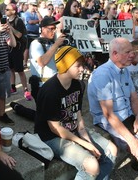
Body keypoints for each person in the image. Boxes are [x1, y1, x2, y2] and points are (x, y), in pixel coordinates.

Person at [88, 37, 138, 179]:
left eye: (132, 51)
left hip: (128, 114)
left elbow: (134, 98)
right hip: (110, 119)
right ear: (114, 54)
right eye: (128, 52)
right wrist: (131, 140)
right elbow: (109, 115)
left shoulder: (124, 71)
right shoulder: (102, 75)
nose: (132, 54)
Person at [35, 46, 117, 180]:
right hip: (51, 137)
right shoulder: (49, 91)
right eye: (78, 65)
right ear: (65, 65)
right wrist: (86, 144)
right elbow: (56, 129)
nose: (82, 69)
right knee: (91, 165)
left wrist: (88, 141)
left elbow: (78, 117)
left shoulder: (78, 85)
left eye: (82, 65)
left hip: (72, 129)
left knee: (111, 149)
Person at [29, 16, 65, 102]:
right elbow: (42, 62)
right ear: (43, 29)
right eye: (51, 29)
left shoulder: (52, 42)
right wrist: (56, 45)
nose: (53, 31)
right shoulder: (36, 44)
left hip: (54, 83)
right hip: (43, 85)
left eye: (55, 29)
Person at [5, 3, 31, 100]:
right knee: (11, 68)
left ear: (14, 11)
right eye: (6, 9)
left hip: (18, 49)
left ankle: (25, 89)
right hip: (9, 48)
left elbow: (19, 35)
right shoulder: (7, 20)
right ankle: (13, 87)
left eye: (8, 9)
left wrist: (10, 27)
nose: (6, 10)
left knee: (20, 70)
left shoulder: (18, 21)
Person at [23, 2, 42, 68]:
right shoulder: (26, 13)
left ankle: (37, 61)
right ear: (30, 5)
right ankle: (25, 63)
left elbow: (41, 20)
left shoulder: (36, 13)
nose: (35, 7)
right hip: (28, 33)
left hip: (36, 33)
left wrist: (38, 12)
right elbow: (30, 22)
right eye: (33, 5)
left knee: (37, 48)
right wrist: (38, 21)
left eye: (35, 5)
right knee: (27, 48)